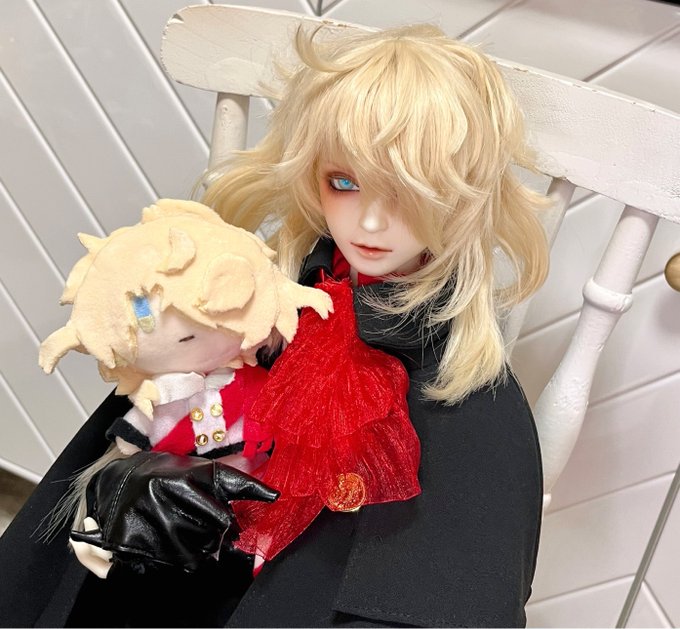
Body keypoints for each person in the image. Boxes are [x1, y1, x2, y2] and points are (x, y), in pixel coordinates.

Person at [0, 23, 548, 628]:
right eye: (343, 182)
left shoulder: (464, 395)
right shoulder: (261, 306)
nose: (369, 223)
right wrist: (129, 483)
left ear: (464, 196)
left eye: (408, 192)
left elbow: (459, 576)